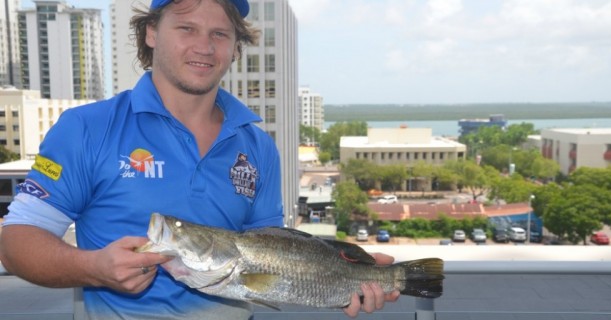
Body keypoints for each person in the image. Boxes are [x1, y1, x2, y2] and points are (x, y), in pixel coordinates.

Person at [0, 0, 397, 318]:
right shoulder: (86, 128)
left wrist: (343, 276)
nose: (204, 47)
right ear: (152, 32)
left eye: (220, 34)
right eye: (187, 28)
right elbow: (15, 244)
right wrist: (94, 268)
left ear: (235, 47)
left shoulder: (258, 147)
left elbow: (271, 262)